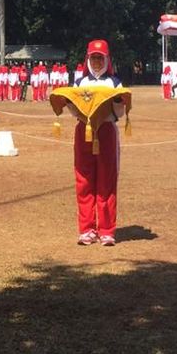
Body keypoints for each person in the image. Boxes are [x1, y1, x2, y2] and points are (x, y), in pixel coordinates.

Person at [69, 40, 125, 247]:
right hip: (84, 130)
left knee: (106, 180)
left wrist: (117, 105)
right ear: (88, 59)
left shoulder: (114, 83)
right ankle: (86, 229)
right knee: (84, 179)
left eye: (100, 58)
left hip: (107, 131)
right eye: (94, 57)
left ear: (107, 59)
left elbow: (119, 111)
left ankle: (107, 230)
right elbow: (73, 108)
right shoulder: (80, 83)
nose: (97, 61)